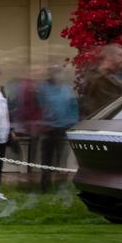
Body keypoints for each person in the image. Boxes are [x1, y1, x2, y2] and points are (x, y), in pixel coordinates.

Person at [37, 64, 79, 193]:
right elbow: (39, 108)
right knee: (46, 159)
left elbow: (74, 108)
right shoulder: (42, 89)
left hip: (63, 129)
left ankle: (61, 185)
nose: (57, 74)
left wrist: (73, 124)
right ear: (50, 74)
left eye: (59, 72)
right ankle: (45, 186)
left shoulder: (68, 90)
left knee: (62, 159)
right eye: (54, 72)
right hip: (48, 129)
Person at [80, 43, 122, 118]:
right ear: (109, 57)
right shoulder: (100, 80)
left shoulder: (108, 76)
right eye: (120, 55)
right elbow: (114, 106)